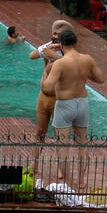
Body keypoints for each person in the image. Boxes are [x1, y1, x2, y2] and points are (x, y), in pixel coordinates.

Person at [40, 28, 105, 190]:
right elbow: (100, 79)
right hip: (82, 102)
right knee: (82, 143)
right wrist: (80, 73)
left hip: (65, 103)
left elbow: (47, 88)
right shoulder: (87, 59)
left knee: (63, 145)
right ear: (76, 42)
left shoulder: (60, 63)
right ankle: (81, 181)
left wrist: (45, 70)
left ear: (60, 44)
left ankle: (67, 182)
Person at [29, 18, 74, 154]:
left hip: (59, 98)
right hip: (43, 96)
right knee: (39, 131)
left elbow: (73, 70)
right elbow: (32, 56)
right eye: (54, 34)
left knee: (59, 134)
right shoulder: (49, 47)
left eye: (58, 35)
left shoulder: (70, 52)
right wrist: (46, 47)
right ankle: (33, 164)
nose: (55, 37)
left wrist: (56, 56)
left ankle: (62, 168)